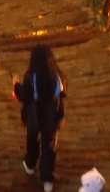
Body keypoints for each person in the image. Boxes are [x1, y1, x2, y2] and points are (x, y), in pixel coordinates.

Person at [13, 45, 66, 192]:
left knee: (32, 140)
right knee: (48, 148)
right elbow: (63, 93)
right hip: (52, 119)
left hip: (34, 118)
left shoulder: (31, 77)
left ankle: (30, 164)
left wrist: (16, 84)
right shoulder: (58, 75)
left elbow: (24, 96)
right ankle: (47, 180)